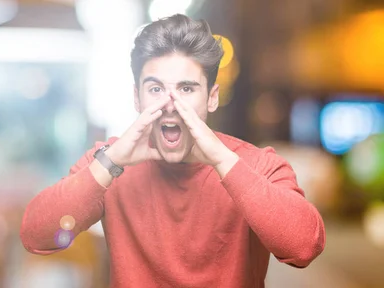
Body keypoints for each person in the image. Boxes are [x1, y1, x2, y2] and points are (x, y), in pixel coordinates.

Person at [20, 14, 325, 287]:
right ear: (137, 99)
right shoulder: (108, 163)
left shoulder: (258, 165)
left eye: (186, 89)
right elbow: (37, 235)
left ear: (212, 98)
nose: (170, 104)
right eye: (155, 89)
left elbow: (303, 248)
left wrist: (221, 160)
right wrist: (109, 163)